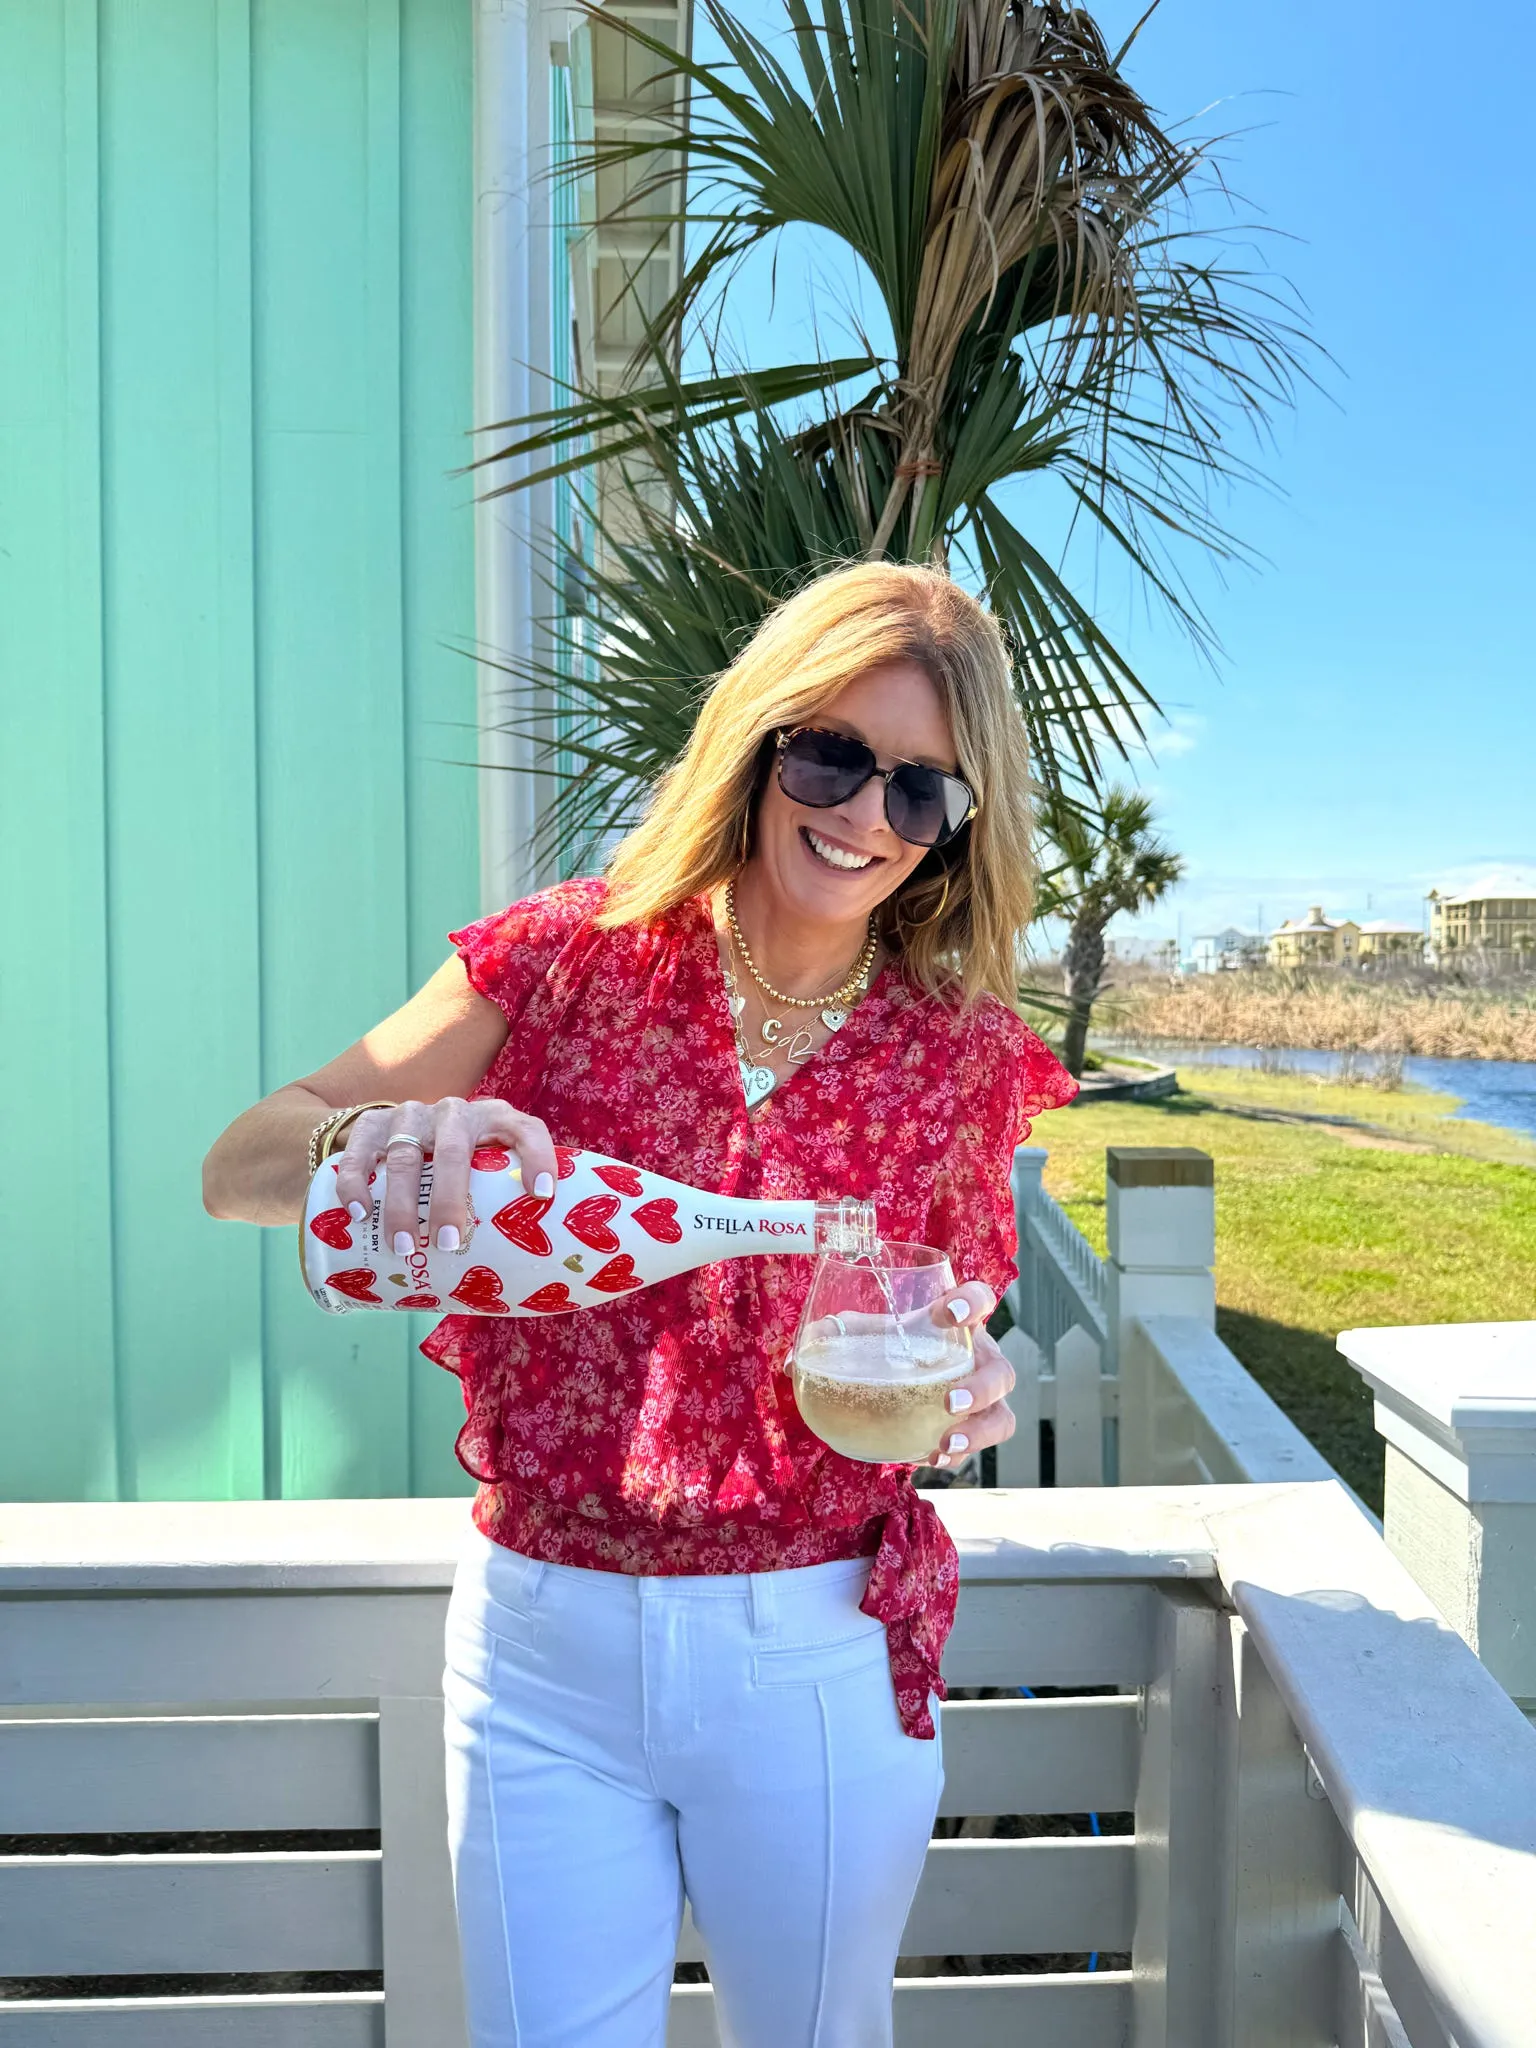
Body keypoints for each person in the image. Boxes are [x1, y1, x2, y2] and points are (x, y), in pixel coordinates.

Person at [203, 560, 1076, 2048]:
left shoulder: (961, 1051)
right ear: (756, 742)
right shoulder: (560, 960)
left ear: (958, 827)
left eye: (922, 791)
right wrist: (371, 1147)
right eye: (833, 755)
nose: (866, 815)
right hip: (544, 1645)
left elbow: (948, 1322)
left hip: (817, 1648)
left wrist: (970, 1395)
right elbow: (240, 1167)